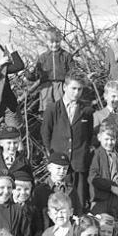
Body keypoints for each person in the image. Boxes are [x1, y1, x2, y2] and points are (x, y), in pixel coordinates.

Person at [41, 74, 94, 210]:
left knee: (78, 202)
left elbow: (88, 136)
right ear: (65, 87)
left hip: (78, 164)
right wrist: (51, 156)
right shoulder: (52, 109)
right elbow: (46, 133)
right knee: (58, 202)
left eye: (80, 89)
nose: (76, 93)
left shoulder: (86, 111)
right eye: (73, 88)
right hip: (59, 163)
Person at [26, 27, 76, 112]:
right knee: (47, 110)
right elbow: (35, 75)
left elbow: (72, 72)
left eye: (57, 42)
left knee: (61, 108)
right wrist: (28, 73)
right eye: (51, 42)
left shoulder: (66, 56)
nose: (54, 44)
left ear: (60, 41)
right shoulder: (42, 57)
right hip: (46, 86)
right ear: (46, 42)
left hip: (61, 85)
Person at [88, 123, 118, 222]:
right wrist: (111, 187)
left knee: (115, 226)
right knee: (100, 226)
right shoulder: (96, 155)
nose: (109, 142)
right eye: (106, 139)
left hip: (117, 198)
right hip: (101, 199)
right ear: (99, 138)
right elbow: (93, 178)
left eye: (112, 139)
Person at [32, 152, 81, 229]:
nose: (62, 172)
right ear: (49, 168)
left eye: (65, 168)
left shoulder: (71, 189)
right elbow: (36, 215)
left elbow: (77, 210)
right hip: (46, 230)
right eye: (58, 168)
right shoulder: (40, 190)